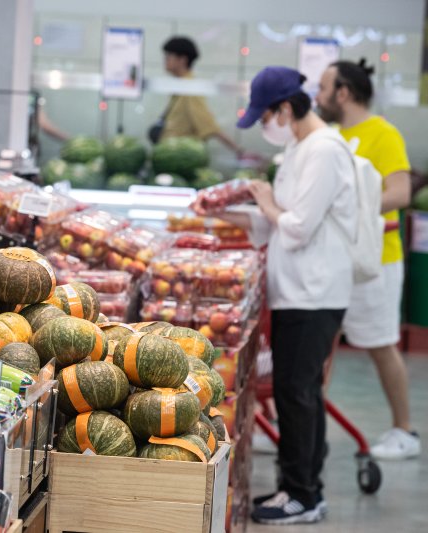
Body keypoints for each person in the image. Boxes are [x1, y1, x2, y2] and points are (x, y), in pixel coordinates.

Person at [193, 66, 358, 525]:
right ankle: (302, 487)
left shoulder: (323, 151)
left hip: (315, 292)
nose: (264, 127)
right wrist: (226, 212)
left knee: (296, 392)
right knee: (297, 391)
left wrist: (262, 198)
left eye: (265, 116)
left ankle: (302, 494)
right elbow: (274, 221)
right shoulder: (299, 148)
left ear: (284, 109)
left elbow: (299, 227)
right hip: (296, 292)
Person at [316, 59, 419, 460]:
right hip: (332, 260)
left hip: (376, 262)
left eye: (324, 88)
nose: (318, 97)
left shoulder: (383, 134)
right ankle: (310, 431)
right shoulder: (328, 135)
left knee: (379, 344)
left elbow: (400, 193)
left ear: (343, 92)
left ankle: (404, 431)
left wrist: (351, 205)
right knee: (320, 347)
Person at [152, 36, 246, 158]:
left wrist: (239, 151)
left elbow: (209, 125)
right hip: (171, 154)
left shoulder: (190, 89)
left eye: (169, 56)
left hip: (181, 157)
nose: (165, 60)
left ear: (182, 60)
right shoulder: (180, 86)